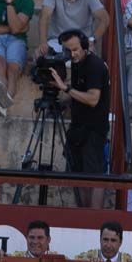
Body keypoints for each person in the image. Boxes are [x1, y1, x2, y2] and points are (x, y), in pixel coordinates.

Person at [52, 29, 109, 208]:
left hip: (93, 129)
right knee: (78, 174)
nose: (73, 54)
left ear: (84, 46)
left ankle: (93, 219)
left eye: (76, 49)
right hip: (78, 127)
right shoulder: (76, 64)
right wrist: (60, 97)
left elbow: (92, 99)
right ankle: (83, 215)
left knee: (94, 177)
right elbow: (78, 92)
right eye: (69, 51)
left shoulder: (95, 65)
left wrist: (66, 89)